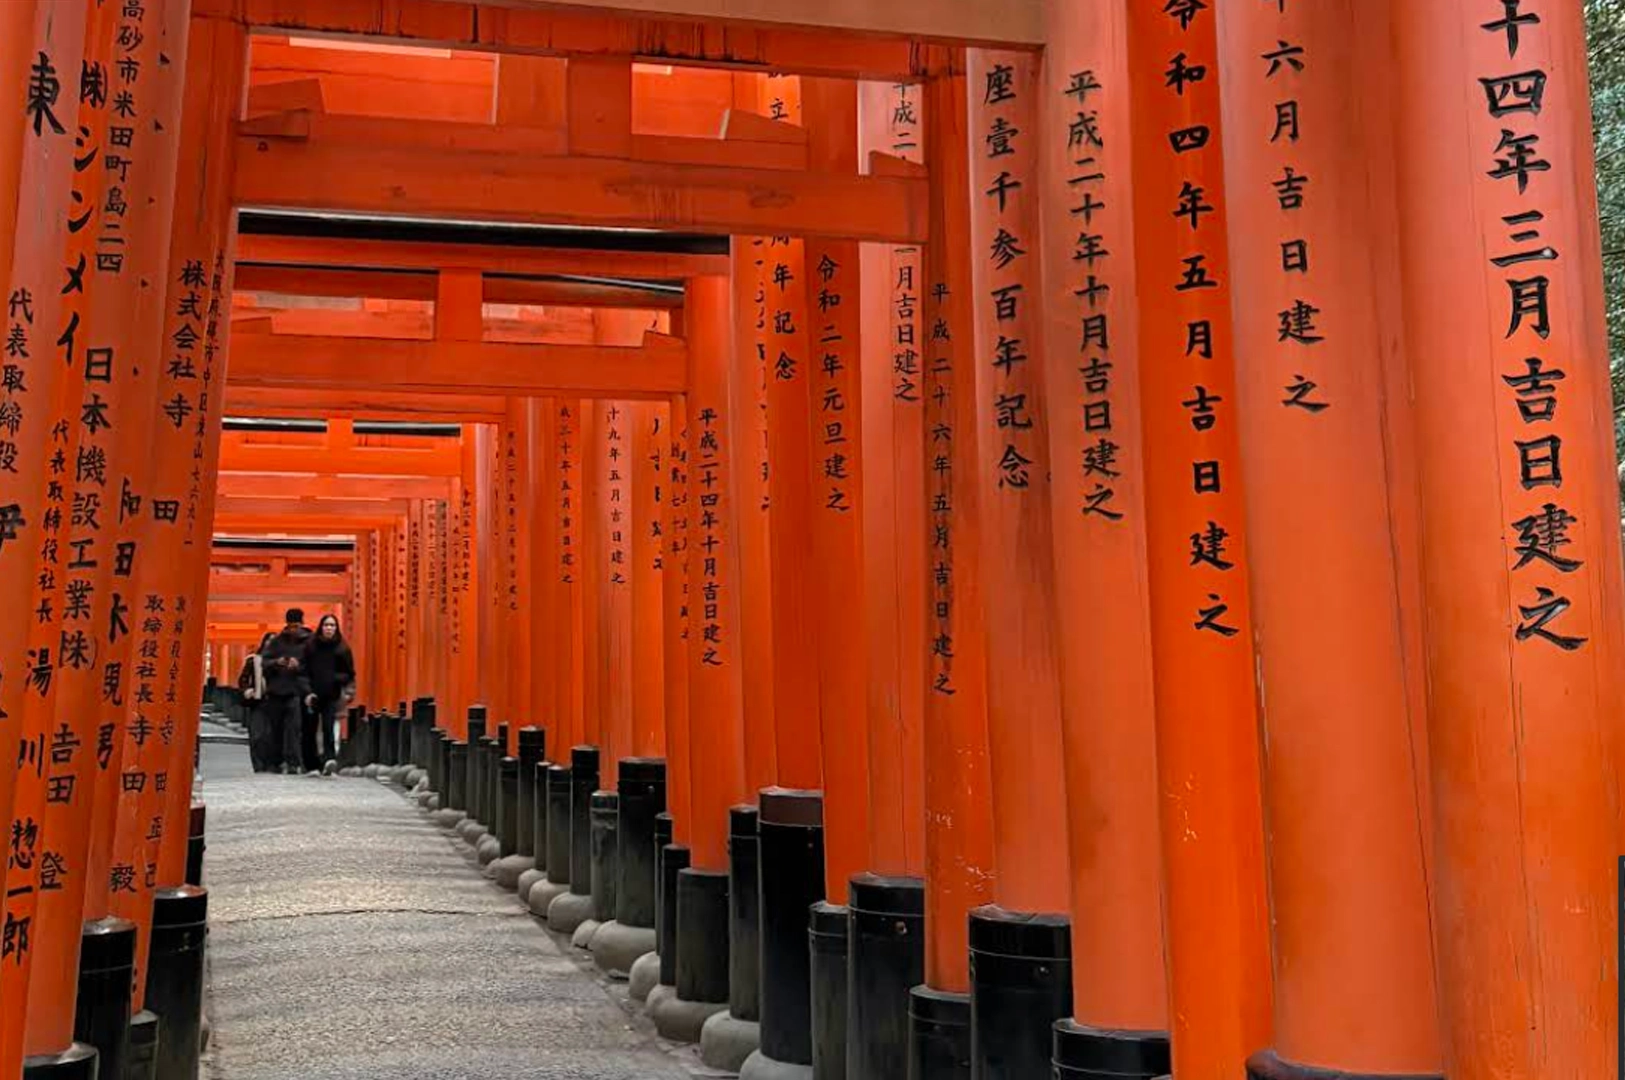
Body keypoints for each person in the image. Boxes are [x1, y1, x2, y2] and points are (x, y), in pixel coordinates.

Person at [259, 608, 313, 775]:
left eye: (296, 626)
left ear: (302, 624)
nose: (293, 629)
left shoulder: (310, 642)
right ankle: (275, 761)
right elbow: (264, 662)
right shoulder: (277, 641)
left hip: (297, 691)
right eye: (290, 626)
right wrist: (277, 662)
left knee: (294, 728)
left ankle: (293, 762)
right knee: (275, 728)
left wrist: (300, 665)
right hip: (276, 690)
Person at [303, 614, 356, 771]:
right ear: (321, 627)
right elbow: (303, 670)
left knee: (328, 727)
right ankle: (311, 764)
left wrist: (335, 679)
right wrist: (306, 691)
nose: (329, 628)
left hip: (331, 694)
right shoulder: (311, 646)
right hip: (312, 693)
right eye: (326, 625)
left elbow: (349, 673)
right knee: (309, 729)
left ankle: (329, 760)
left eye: (332, 625)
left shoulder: (342, 648)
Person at [237, 632, 276, 773]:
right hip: (258, 702)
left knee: (271, 736)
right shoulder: (253, 660)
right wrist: (247, 690)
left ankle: (271, 765)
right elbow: (243, 680)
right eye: (269, 641)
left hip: (275, 703)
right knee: (257, 735)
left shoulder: (281, 662)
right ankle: (259, 766)